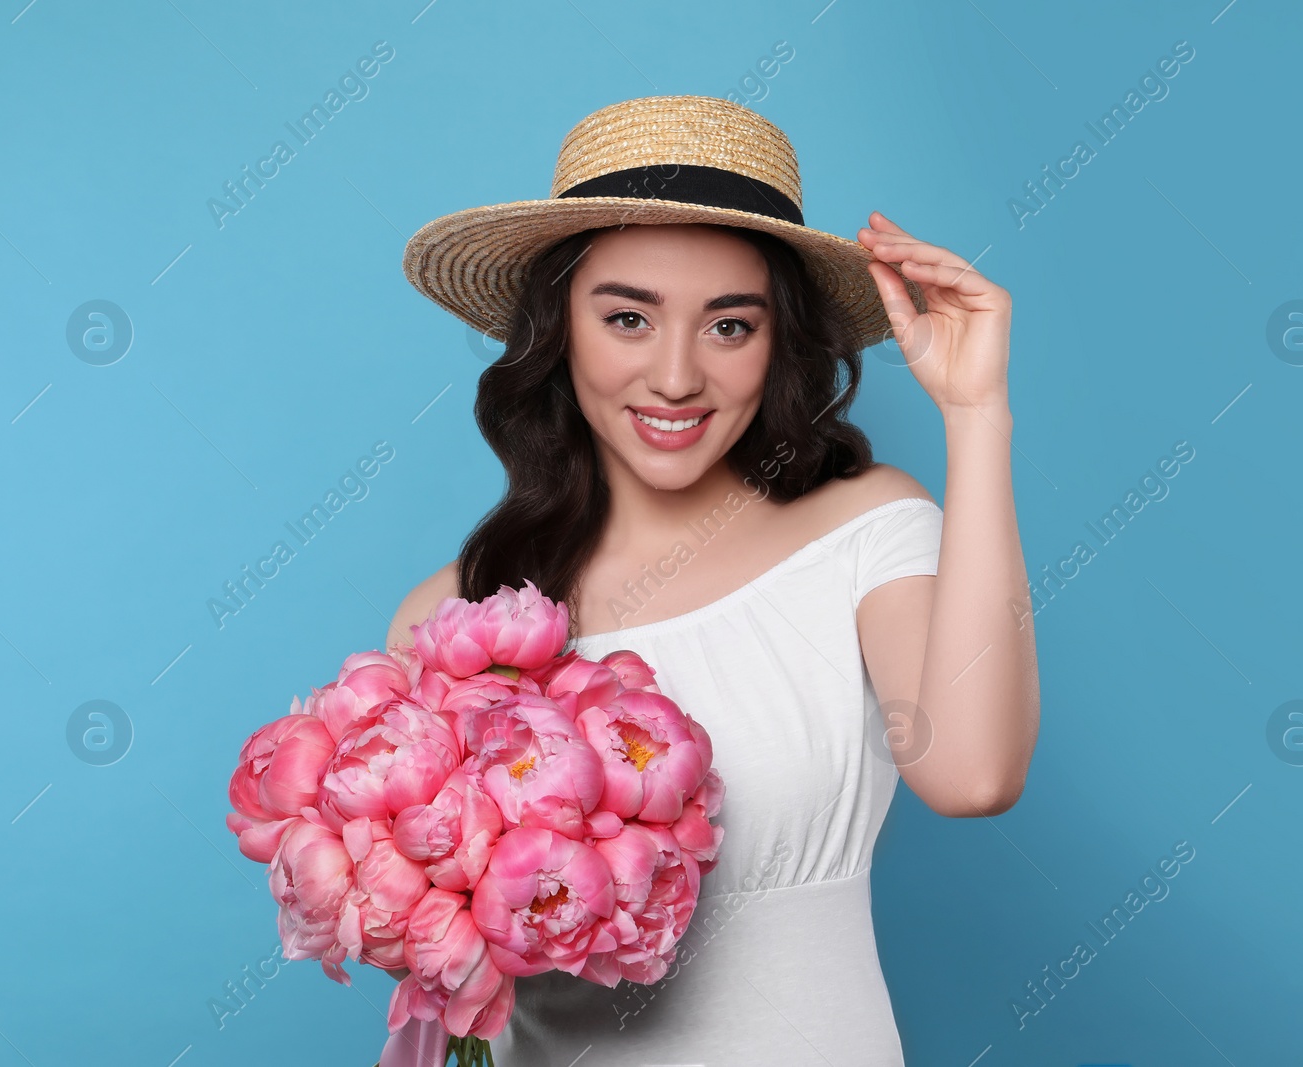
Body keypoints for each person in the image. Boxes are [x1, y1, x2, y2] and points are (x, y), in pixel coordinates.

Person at [381, 95, 1040, 1065]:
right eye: (628, 317)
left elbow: (975, 772)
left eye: (729, 325)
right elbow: (436, 983)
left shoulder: (865, 532)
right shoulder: (457, 613)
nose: (678, 375)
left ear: (779, 342)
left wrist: (977, 414)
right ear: (559, 326)